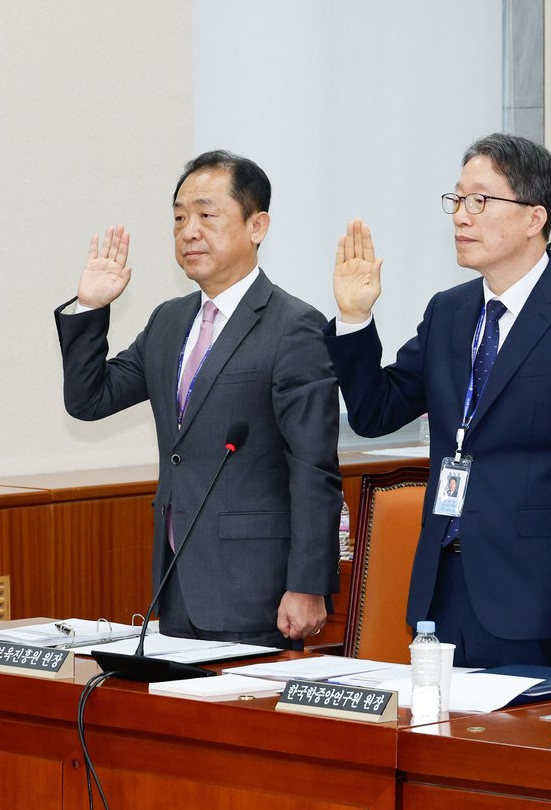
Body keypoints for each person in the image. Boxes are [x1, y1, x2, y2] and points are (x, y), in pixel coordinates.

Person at [326, 133, 551, 668]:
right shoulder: (449, 311)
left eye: (480, 200)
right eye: (456, 200)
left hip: (539, 593)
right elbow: (375, 412)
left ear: (533, 217)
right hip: (442, 589)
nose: (461, 216)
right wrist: (355, 321)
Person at [55, 151, 341, 647]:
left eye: (207, 216)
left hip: (258, 588)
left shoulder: (293, 326)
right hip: (177, 578)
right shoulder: (169, 320)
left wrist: (308, 584)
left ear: (258, 225)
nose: (189, 231)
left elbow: (314, 466)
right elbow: (90, 399)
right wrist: (90, 309)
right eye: (179, 218)